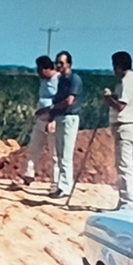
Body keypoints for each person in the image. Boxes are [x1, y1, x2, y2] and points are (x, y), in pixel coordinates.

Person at [40, 50, 83, 199]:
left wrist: (52, 108)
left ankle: (65, 187)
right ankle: (61, 185)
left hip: (69, 118)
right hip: (60, 117)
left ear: (69, 64)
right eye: (57, 63)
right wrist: (51, 117)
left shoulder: (74, 79)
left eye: (61, 63)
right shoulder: (61, 80)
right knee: (59, 153)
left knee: (66, 154)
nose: (58, 65)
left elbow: (69, 101)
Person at [103, 51, 133, 209]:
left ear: (119, 66)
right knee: (122, 165)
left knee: (125, 166)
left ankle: (128, 202)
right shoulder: (124, 82)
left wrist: (109, 100)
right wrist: (112, 96)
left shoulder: (128, 81)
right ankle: (124, 201)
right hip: (123, 127)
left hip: (125, 126)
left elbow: (121, 106)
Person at [21, 56, 59, 188]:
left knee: (54, 153)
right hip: (41, 121)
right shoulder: (44, 81)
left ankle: (56, 182)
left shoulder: (59, 80)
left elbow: (60, 102)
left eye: (40, 70)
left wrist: (51, 118)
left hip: (52, 121)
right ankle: (28, 174)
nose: (38, 73)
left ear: (47, 69)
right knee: (34, 148)